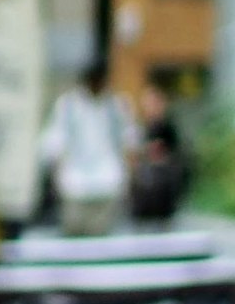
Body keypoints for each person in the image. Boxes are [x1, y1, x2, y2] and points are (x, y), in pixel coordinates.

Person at [38, 62, 133, 236]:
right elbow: (53, 141)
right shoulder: (68, 106)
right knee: (74, 239)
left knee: (101, 242)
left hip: (107, 184)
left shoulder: (116, 105)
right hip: (75, 185)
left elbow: (129, 139)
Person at [128, 87, 188, 226]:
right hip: (143, 190)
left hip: (164, 188)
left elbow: (176, 155)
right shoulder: (140, 128)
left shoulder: (169, 128)